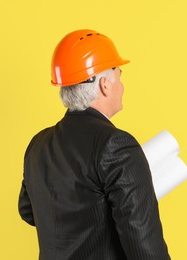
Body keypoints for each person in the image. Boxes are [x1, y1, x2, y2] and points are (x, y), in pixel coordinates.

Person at [18, 29, 170, 260]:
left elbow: (29, 211)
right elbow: (145, 248)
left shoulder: (38, 144)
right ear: (104, 85)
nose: (122, 85)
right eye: (120, 75)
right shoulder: (117, 145)